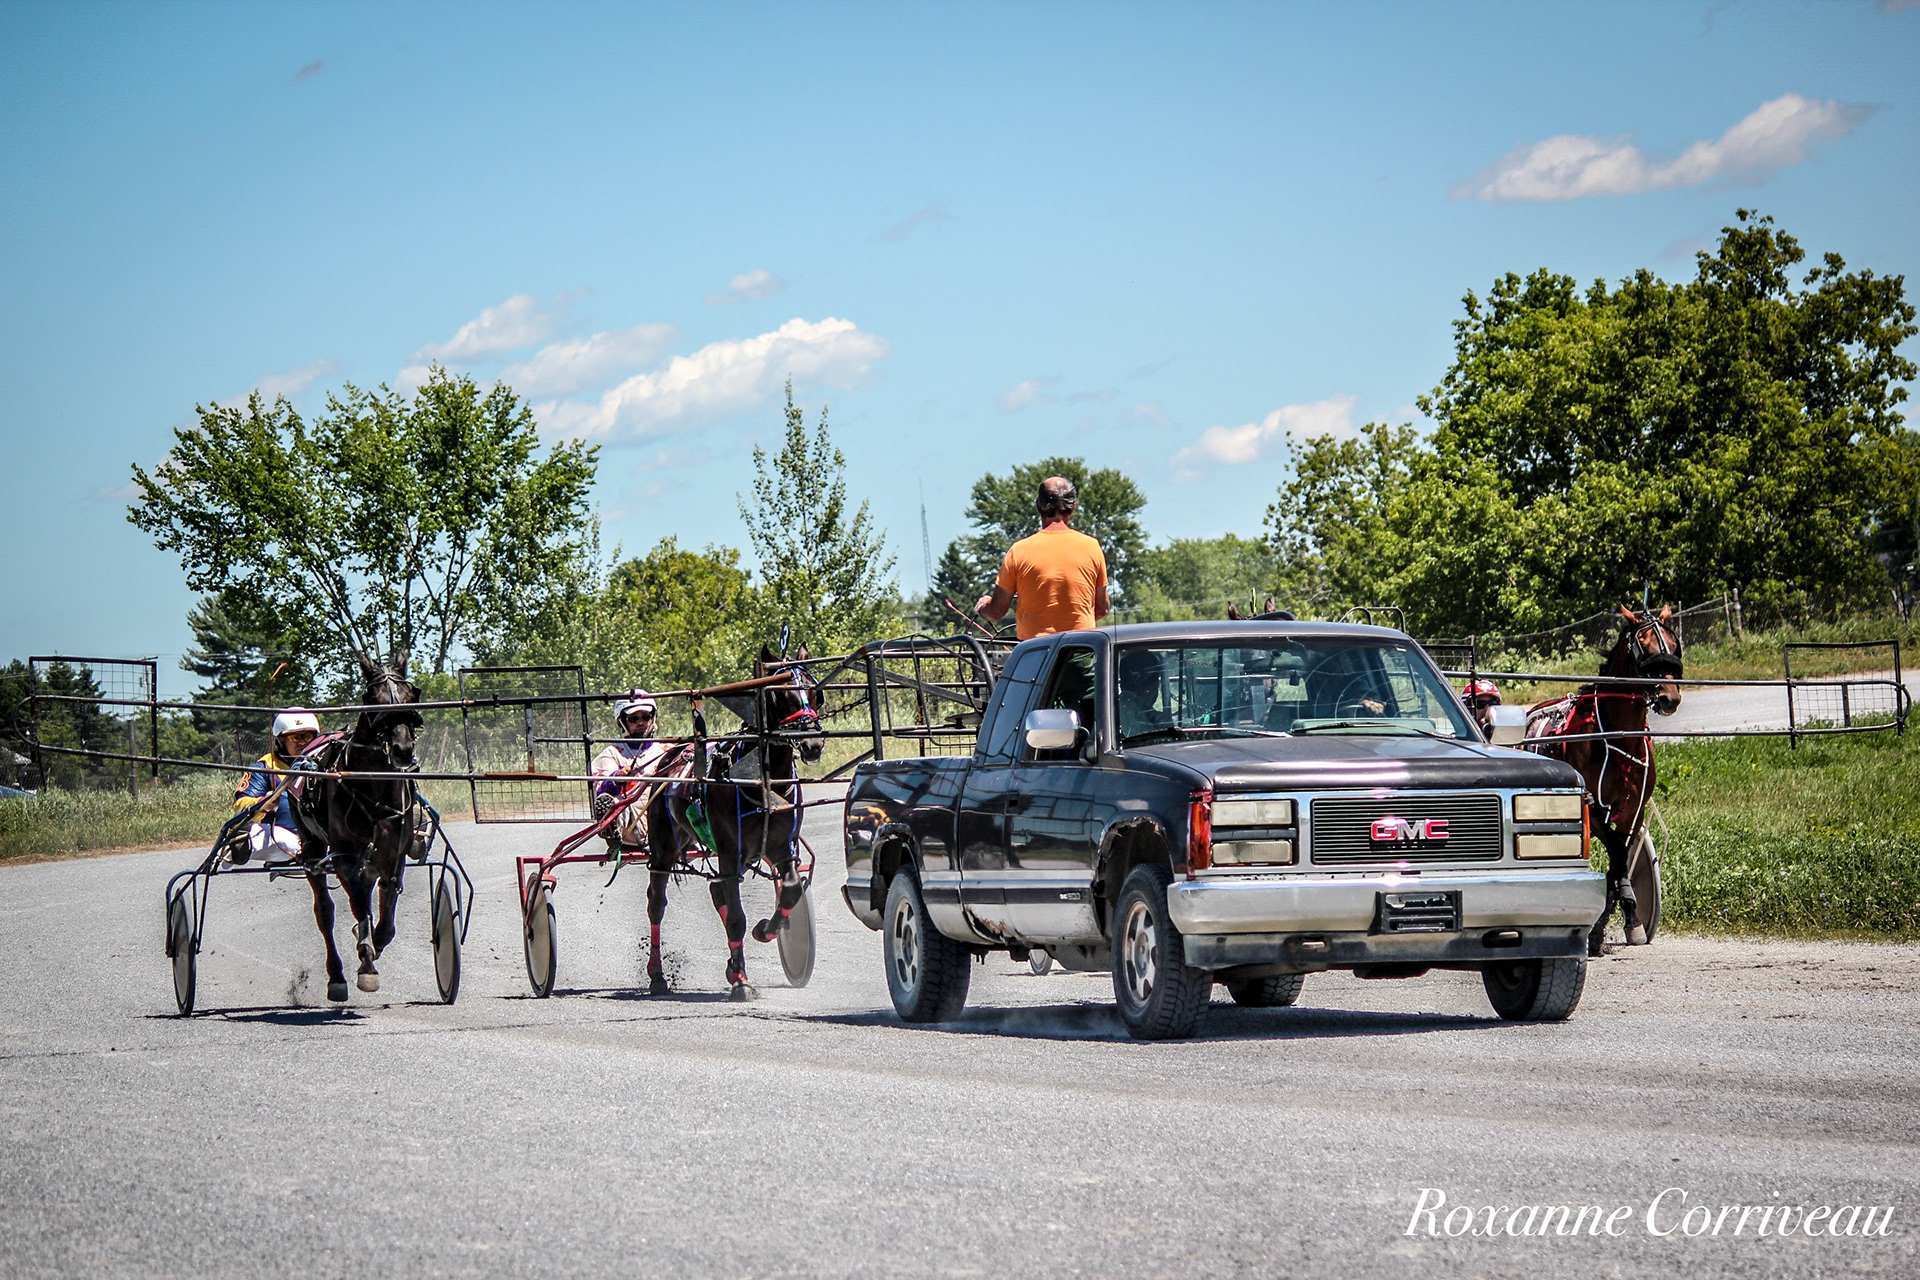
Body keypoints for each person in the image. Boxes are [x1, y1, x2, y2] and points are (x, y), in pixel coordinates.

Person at [974, 475, 1110, 640]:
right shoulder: (1092, 547)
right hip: (1080, 650)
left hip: (1036, 652)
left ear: (1039, 505)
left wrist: (982, 606)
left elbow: (996, 612)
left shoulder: (1019, 550)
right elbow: (1102, 608)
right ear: (1073, 507)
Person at [230, 708, 321, 865]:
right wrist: (263, 802)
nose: (302, 743)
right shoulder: (266, 766)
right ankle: (218, 864)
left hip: (322, 836)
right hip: (282, 835)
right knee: (237, 841)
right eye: (294, 737)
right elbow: (239, 806)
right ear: (281, 740)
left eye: (307, 737)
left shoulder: (325, 765)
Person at [592, 689, 670, 854]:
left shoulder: (668, 750)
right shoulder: (612, 753)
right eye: (634, 718)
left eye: (646, 717)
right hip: (632, 825)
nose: (641, 722)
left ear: (653, 718)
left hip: (668, 822)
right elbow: (600, 788)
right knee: (609, 801)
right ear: (622, 722)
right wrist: (617, 778)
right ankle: (613, 832)